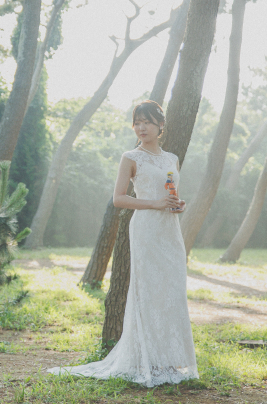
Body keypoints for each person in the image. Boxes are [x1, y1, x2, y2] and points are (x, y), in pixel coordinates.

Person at [48, 100, 198, 387]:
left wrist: (178, 204)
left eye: (147, 122)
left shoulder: (172, 159)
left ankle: (169, 359)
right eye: (137, 122)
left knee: (171, 292)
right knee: (148, 292)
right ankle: (149, 361)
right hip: (146, 229)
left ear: (160, 125)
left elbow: (171, 194)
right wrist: (154, 203)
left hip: (170, 231)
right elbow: (119, 199)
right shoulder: (131, 157)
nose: (141, 127)